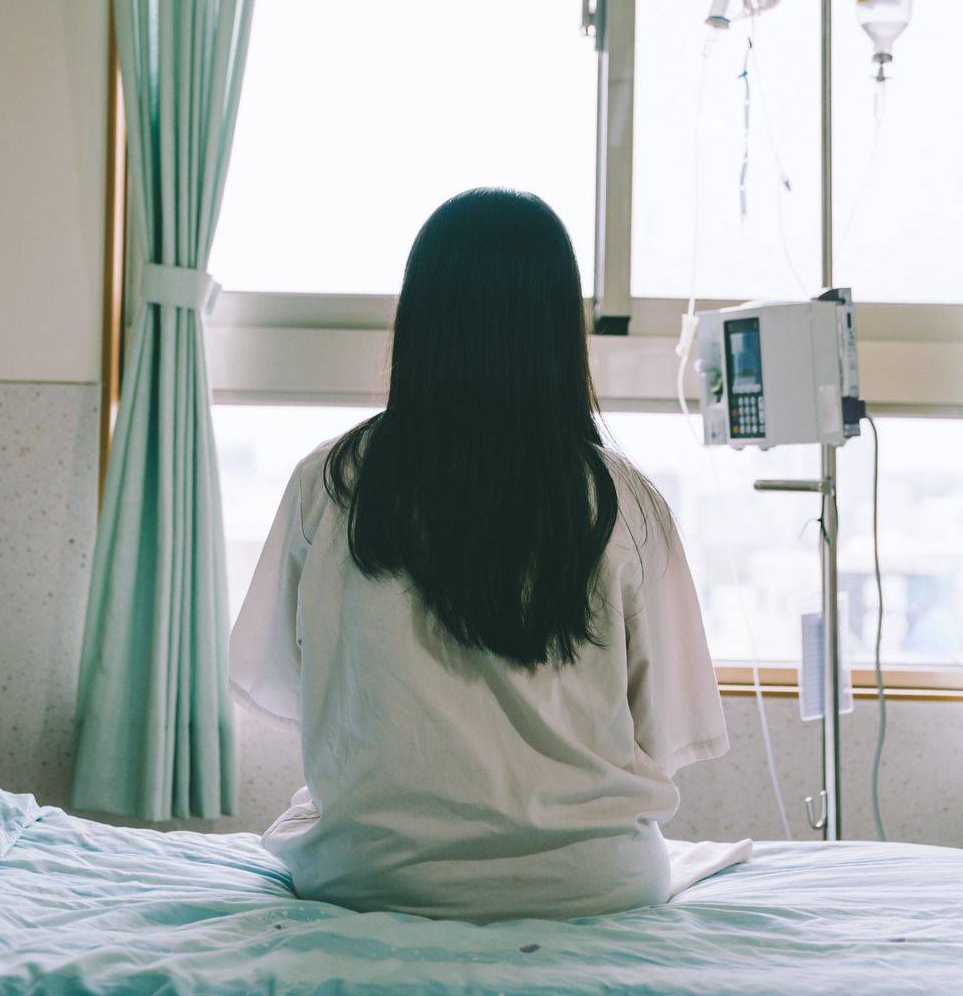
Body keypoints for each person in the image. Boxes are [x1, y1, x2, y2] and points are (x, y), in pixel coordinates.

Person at [230, 187, 747, 923]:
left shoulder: (333, 483)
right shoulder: (624, 504)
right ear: (559, 334)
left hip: (368, 877)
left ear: (419, 321)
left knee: (303, 819)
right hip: (592, 884)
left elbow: (285, 682)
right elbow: (663, 730)